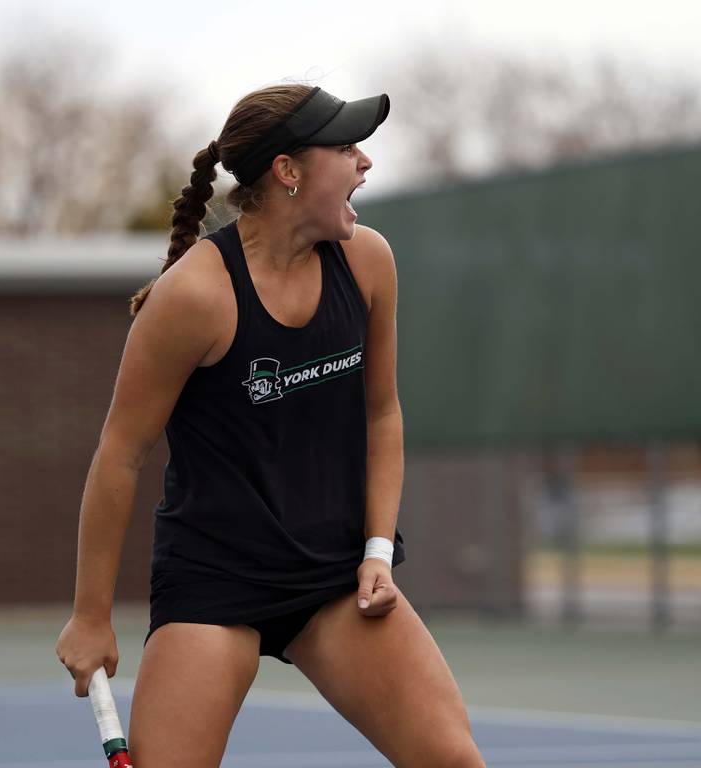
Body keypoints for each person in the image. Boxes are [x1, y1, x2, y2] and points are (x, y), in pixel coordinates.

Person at [56, 83, 486, 768]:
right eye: (345, 149)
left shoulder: (368, 262)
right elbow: (121, 454)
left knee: (455, 762)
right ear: (288, 171)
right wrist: (90, 616)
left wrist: (377, 553)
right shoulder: (194, 295)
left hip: (335, 579)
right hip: (215, 583)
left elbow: (382, 414)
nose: (365, 162)